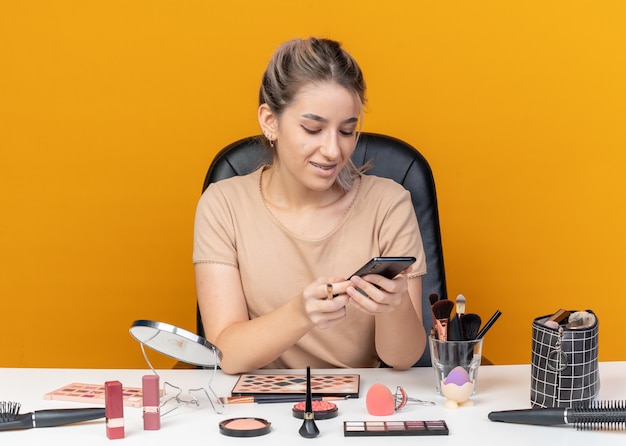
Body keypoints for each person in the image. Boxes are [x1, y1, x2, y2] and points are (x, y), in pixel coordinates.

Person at [193, 37, 427, 375]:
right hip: (260, 401)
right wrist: (300, 314)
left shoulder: (388, 204)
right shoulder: (223, 205)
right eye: (313, 129)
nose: (333, 150)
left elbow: (402, 358)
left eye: (347, 131)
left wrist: (393, 307)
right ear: (270, 121)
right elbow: (225, 354)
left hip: (360, 404)